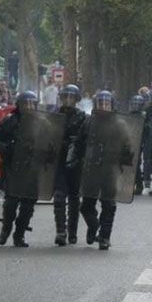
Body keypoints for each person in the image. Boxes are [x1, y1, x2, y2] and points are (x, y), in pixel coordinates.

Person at [70, 91, 137, 250]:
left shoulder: (119, 124)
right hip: (91, 169)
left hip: (110, 169)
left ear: (112, 106)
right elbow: (79, 143)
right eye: (101, 103)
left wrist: (126, 157)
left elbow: (128, 145)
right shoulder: (89, 122)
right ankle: (94, 226)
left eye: (106, 104)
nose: (103, 106)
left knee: (108, 205)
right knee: (86, 205)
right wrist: (74, 159)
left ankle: (105, 237)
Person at [0, 91, 42, 248]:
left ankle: (20, 234)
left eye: (32, 104)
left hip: (31, 171)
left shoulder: (40, 123)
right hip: (12, 168)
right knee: (10, 204)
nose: (29, 107)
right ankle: (6, 229)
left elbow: (49, 145)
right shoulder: (8, 122)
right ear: (19, 105)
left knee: (27, 207)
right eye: (26, 104)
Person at [52, 84, 87, 245]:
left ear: (76, 100)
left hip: (76, 162)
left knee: (74, 199)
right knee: (59, 197)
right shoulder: (54, 115)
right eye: (65, 97)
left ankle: (72, 232)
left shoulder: (82, 118)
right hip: (59, 161)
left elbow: (88, 139)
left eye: (71, 97)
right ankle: (61, 231)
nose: (67, 100)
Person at [129, 95, 146, 195]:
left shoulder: (144, 115)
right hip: (129, 141)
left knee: (135, 164)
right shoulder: (129, 115)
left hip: (139, 142)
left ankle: (139, 185)